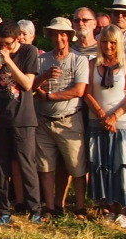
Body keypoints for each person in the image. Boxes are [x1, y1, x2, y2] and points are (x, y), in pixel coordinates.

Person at [32, 18, 89, 217]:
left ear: (69, 36)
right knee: (45, 166)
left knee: (77, 166)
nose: (59, 38)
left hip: (69, 120)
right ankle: (50, 207)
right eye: (55, 34)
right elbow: (32, 86)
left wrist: (48, 96)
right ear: (50, 36)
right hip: (44, 119)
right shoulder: (42, 60)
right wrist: (44, 77)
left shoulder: (79, 59)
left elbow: (79, 90)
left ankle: (80, 207)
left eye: (63, 34)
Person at [84, 25, 126, 227]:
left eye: (113, 42)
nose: (108, 46)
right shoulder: (92, 64)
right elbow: (88, 92)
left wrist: (114, 116)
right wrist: (100, 114)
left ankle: (122, 209)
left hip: (120, 123)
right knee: (99, 165)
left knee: (120, 165)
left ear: (119, 44)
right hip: (96, 121)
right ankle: (105, 207)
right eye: (105, 42)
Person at [0, 21, 42, 225]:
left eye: (8, 44)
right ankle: (3, 211)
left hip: (23, 118)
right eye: (1, 43)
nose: (4, 47)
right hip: (1, 118)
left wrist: (9, 61)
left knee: (27, 164)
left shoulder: (29, 51)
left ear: (18, 38)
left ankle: (34, 209)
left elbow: (28, 84)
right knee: (2, 167)